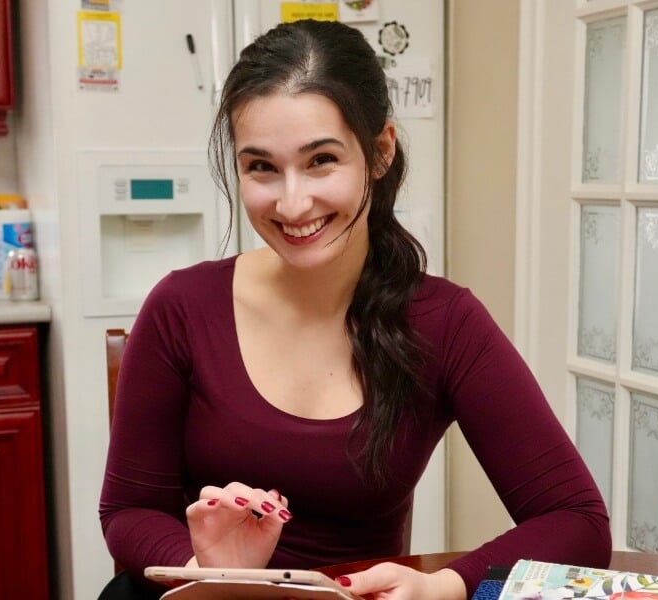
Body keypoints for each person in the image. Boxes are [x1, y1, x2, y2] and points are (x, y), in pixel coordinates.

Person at [98, 18, 611, 600]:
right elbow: (127, 510)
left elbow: (577, 520)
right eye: (261, 166)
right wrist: (209, 572)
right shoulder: (181, 307)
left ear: (379, 151)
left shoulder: (446, 323)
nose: (292, 204)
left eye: (321, 160)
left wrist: (442, 585)